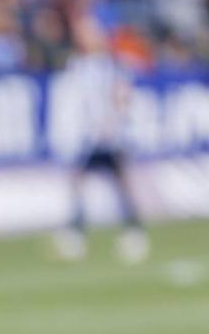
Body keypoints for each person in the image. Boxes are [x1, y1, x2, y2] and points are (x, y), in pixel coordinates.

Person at [52, 16, 150, 264]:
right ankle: (76, 230)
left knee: (121, 180)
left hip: (111, 134)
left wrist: (114, 120)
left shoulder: (113, 64)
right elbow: (73, 101)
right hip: (88, 135)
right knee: (79, 181)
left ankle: (133, 230)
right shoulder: (77, 66)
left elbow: (122, 94)